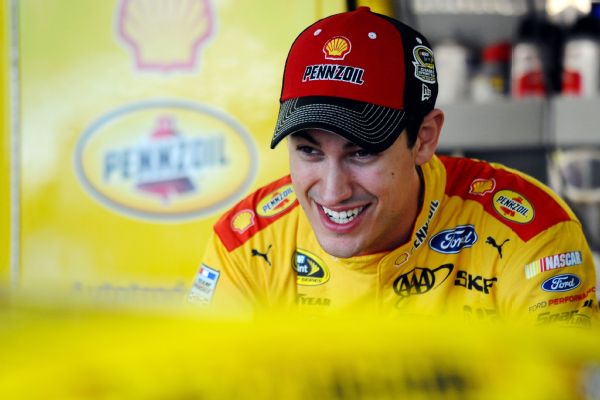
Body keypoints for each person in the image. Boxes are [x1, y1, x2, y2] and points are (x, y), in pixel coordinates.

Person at [189, 6, 598, 325]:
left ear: (425, 138)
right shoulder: (247, 244)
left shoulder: (532, 235)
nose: (332, 192)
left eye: (361, 152)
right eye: (310, 151)